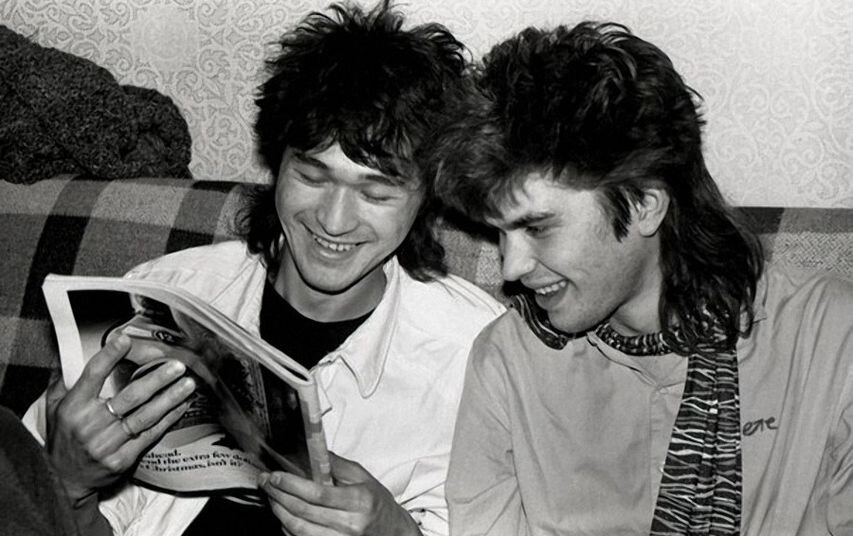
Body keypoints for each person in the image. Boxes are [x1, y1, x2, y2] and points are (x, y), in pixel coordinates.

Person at [22, 2, 504, 535]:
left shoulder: (476, 357)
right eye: (312, 177)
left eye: (376, 193)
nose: (333, 220)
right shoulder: (164, 293)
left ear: (427, 197)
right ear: (277, 164)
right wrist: (68, 483)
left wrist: (397, 532)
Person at [426, 21, 853, 535]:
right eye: (499, 232)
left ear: (645, 206)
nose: (511, 267)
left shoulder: (829, 339)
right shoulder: (507, 362)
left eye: (537, 227)